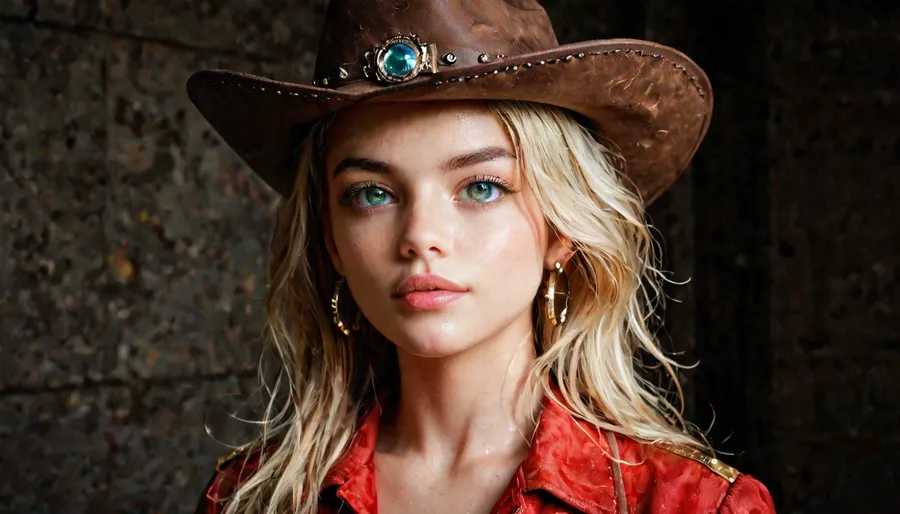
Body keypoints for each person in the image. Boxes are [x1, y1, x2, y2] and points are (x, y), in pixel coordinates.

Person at [186, 0, 775, 513]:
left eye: (481, 186)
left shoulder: (688, 504)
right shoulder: (251, 498)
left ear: (560, 230)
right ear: (331, 241)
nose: (421, 236)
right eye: (372, 193)